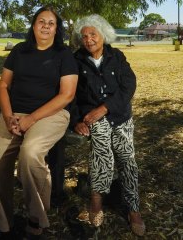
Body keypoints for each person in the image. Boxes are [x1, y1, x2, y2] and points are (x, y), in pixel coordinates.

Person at [0, 6, 78, 239]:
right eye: (41, 21)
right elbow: (4, 85)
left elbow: (67, 95)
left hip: (51, 115)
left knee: (30, 152)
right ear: (33, 26)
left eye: (51, 23)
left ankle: (37, 216)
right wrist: (8, 116)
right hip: (14, 113)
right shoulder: (19, 51)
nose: (45, 26)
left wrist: (31, 119)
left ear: (57, 29)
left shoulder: (64, 55)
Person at [71, 14, 146, 237]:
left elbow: (129, 85)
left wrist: (105, 108)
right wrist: (76, 120)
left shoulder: (117, 56)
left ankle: (134, 210)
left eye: (93, 34)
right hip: (94, 118)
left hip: (119, 115)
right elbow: (70, 94)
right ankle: (96, 202)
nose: (88, 39)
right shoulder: (76, 60)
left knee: (127, 159)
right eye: (84, 36)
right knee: (101, 153)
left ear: (103, 35)